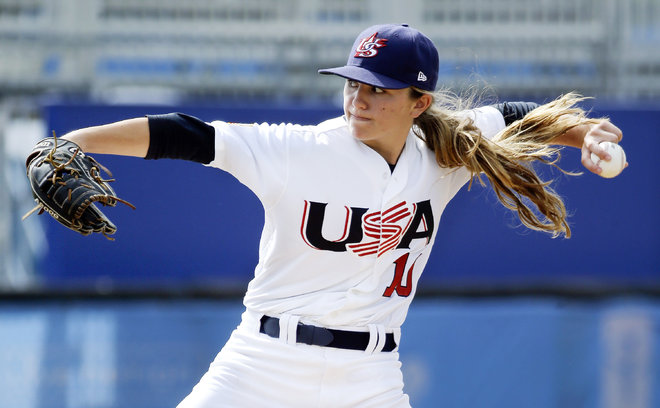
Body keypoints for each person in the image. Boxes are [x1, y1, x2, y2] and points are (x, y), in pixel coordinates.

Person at [57, 24, 623, 407]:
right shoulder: (302, 149)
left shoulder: (445, 152)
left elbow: (519, 116)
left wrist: (585, 134)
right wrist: (72, 141)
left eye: (379, 89)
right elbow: (189, 135)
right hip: (264, 362)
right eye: (355, 82)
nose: (360, 98)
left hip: (369, 377)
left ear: (420, 102)